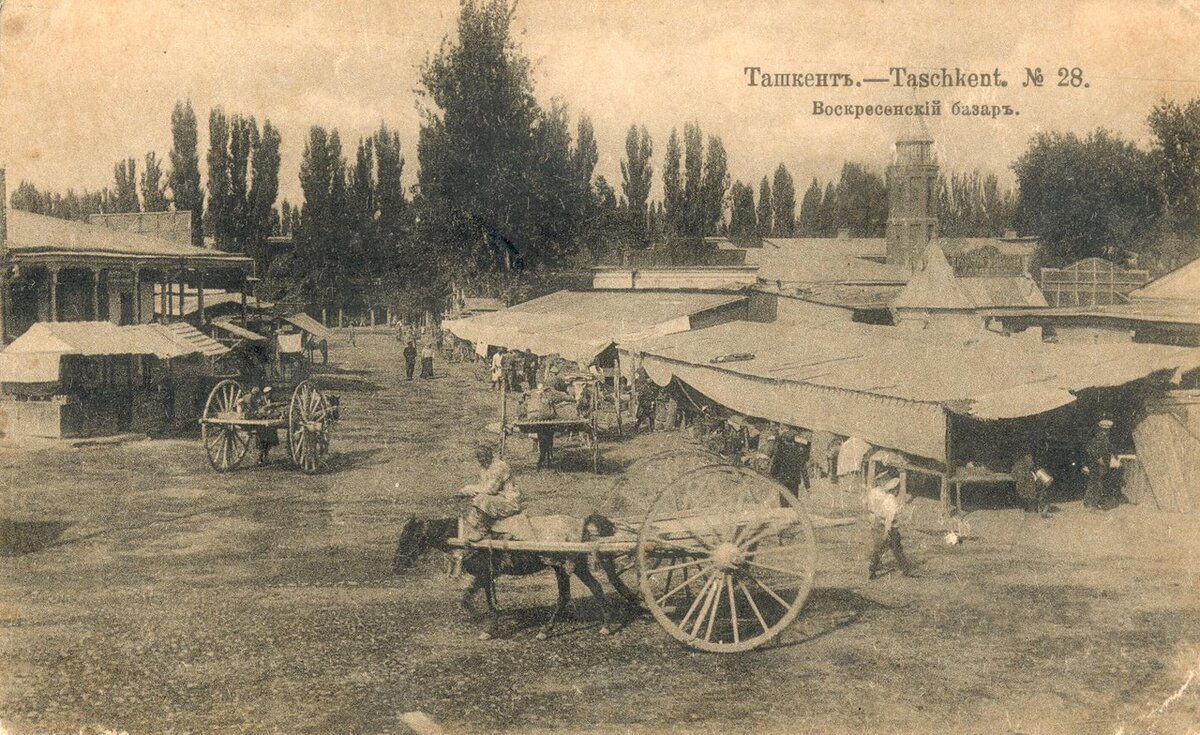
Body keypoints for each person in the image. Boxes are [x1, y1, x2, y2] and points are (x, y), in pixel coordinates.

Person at [458, 444, 522, 541]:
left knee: (481, 499)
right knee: (473, 500)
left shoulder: (499, 466)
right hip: (498, 499)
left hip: (509, 502)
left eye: (483, 457)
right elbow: (482, 486)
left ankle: (482, 531)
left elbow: (491, 489)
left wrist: (469, 488)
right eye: (479, 458)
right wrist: (468, 491)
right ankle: (473, 527)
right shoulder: (485, 468)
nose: (481, 461)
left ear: (489, 455)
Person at [867, 476, 916, 580]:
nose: (898, 491)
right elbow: (889, 519)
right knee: (897, 550)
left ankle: (872, 570)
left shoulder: (885, 498)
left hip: (880, 526)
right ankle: (906, 570)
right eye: (897, 489)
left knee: (880, 550)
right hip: (890, 529)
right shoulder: (892, 501)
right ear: (894, 490)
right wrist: (887, 532)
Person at [524, 383, 574, 468]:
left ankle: (543, 458)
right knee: (548, 439)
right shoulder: (549, 395)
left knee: (543, 440)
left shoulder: (534, 395)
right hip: (547, 420)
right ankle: (546, 458)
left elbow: (526, 403)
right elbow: (562, 398)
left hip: (539, 421)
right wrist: (573, 399)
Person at [237, 386, 279, 465]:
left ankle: (265, 457)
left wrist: (272, 413)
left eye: (270, 393)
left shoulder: (272, 400)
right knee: (262, 441)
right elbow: (258, 409)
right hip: (261, 423)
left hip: (269, 424)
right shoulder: (261, 400)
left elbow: (274, 409)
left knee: (270, 441)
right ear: (266, 394)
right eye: (268, 393)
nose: (270, 395)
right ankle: (260, 458)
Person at [1082, 419, 1115, 509]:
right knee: (1096, 483)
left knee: (1095, 483)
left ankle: (1091, 502)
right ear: (1101, 429)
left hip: (1102, 463)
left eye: (1107, 430)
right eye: (1105, 430)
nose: (1106, 431)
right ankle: (1092, 504)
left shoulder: (1105, 438)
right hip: (1097, 464)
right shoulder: (1099, 438)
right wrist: (1099, 459)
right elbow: (1091, 450)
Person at [771, 431, 812, 497]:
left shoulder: (780, 452)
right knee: (793, 501)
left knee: (784, 502)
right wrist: (807, 486)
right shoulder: (799, 453)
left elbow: (775, 466)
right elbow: (804, 470)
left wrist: (772, 478)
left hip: (783, 480)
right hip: (794, 481)